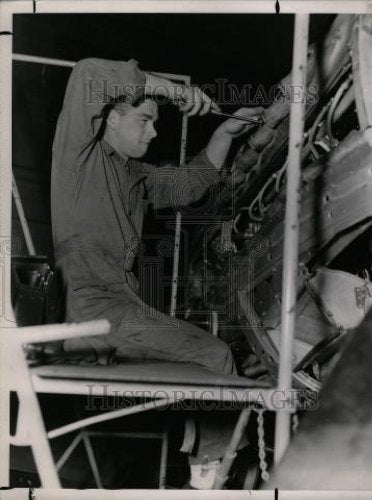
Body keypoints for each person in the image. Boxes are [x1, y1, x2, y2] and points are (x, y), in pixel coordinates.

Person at [51, 57, 262, 489]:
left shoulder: (132, 174)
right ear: (110, 118)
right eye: (145, 120)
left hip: (118, 308)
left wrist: (224, 133)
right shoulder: (81, 158)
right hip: (94, 309)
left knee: (208, 357)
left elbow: (186, 184)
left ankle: (200, 455)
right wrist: (174, 89)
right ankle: (208, 477)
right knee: (215, 355)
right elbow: (89, 73)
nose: (154, 131)